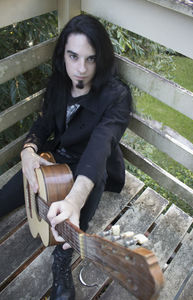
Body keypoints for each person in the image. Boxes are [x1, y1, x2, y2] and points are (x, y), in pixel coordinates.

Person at [0, 14, 132, 300]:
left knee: (77, 214)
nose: (81, 69)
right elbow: (44, 124)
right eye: (73, 56)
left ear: (102, 59)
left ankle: (62, 260)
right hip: (55, 158)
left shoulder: (116, 96)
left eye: (90, 59)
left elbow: (100, 148)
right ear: (64, 55)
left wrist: (73, 200)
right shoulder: (60, 82)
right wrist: (28, 150)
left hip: (93, 167)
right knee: (4, 198)